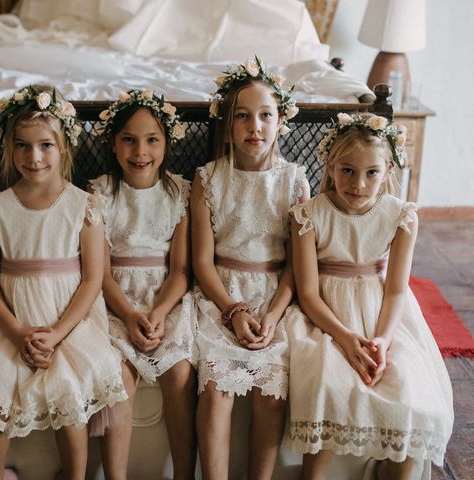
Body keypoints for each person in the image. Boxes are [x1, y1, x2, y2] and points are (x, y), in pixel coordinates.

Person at [0, 85, 127, 480]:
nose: (33, 157)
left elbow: (91, 281)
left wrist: (54, 335)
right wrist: (19, 332)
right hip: (11, 320)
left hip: (67, 321)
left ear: (63, 148)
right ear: (9, 148)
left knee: (68, 389)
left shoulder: (84, 206)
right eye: (22, 146)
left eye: (45, 146)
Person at [286, 113, 454, 479]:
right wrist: (346, 339)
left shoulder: (402, 217)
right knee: (328, 384)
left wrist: (381, 339)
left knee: (409, 390)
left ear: (388, 169)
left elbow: (395, 289)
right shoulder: (308, 216)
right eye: (347, 170)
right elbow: (308, 294)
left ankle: (393, 469)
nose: (358, 183)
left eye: (371, 173)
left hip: (383, 317)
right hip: (328, 318)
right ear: (330, 166)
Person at [191, 56, 307, 480]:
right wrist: (235, 311)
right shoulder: (209, 178)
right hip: (222, 294)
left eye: (265, 116)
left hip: (276, 294)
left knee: (270, 395)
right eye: (242, 116)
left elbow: (297, 266)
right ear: (227, 123)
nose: (254, 127)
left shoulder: (294, 181)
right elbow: (202, 262)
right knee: (217, 391)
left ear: (280, 122)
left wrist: (272, 315)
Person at [89, 89, 197, 479]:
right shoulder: (99, 193)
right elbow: (98, 275)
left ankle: (184, 472)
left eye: (152, 140)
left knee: (180, 373)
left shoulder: (180, 193)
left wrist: (156, 312)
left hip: (164, 299)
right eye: (129, 140)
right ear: (114, 145)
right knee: (117, 376)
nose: (141, 151)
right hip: (116, 301)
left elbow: (182, 271)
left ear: (166, 143)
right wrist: (132, 314)